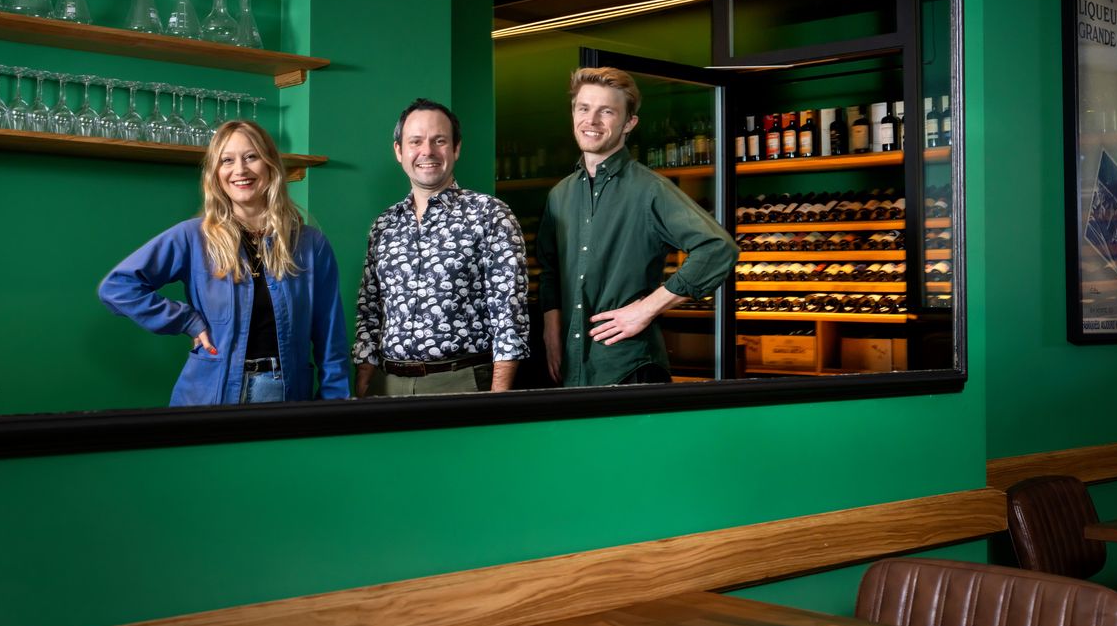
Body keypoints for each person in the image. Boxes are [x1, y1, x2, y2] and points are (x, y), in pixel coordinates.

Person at [99, 120, 351, 406]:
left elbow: (331, 337)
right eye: (227, 160)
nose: (240, 170)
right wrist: (187, 320)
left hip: (282, 396)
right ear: (216, 174)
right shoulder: (192, 237)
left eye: (251, 157)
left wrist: (335, 405)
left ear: (270, 165)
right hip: (205, 396)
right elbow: (118, 287)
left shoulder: (310, 245)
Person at [537, 67, 739, 387]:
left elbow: (718, 248)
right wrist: (551, 332)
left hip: (630, 368)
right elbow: (550, 270)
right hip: (568, 366)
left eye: (606, 111)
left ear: (628, 123)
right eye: (583, 108)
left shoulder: (650, 189)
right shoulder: (560, 194)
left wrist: (645, 310)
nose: (591, 121)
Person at [353, 98, 529, 396]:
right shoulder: (384, 225)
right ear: (399, 151)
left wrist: (499, 399)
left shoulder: (489, 214)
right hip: (387, 385)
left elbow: (509, 315)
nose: (427, 152)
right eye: (416, 141)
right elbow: (369, 310)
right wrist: (363, 380)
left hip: (462, 382)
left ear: (456, 148)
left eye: (439, 141)